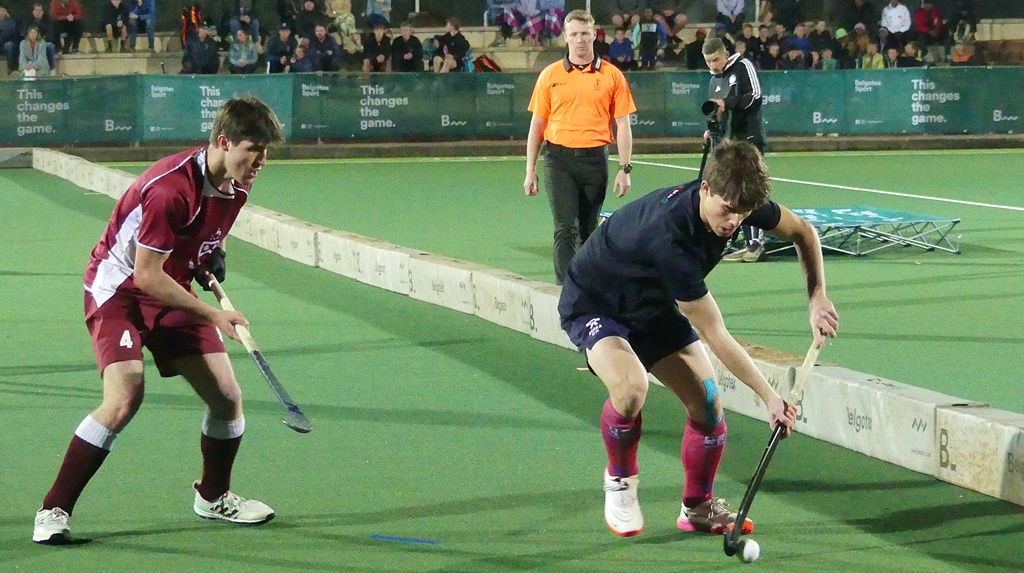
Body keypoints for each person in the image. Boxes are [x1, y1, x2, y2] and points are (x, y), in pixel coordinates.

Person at [32, 96, 286, 545]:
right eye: (254, 150)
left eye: (266, 152)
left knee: (227, 398)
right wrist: (214, 314)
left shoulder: (237, 183)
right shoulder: (173, 190)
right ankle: (54, 508)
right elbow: (147, 275)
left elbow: (201, 237)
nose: (261, 161)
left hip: (169, 285)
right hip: (120, 290)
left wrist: (211, 257)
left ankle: (213, 497)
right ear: (224, 142)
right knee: (125, 396)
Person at [556, 139, 839, 538]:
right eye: (726, 211)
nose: (733, 223)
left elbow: (803, 232)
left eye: (742, 214)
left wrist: (816, 297)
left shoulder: (739, 197)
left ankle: (698, 507)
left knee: (707, 405)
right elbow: (715, 334)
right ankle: (619, 480)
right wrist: (769, 397)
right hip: (597, 302)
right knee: (631, 389)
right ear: (705, 190)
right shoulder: (668, 236)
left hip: (652, 303)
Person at [524, 9, 636, 286]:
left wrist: (625, 168)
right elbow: (537, 125)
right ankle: (566, 290)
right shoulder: (550, 75)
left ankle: (590, 287)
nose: (580, 40)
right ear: (565, 37)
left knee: (589, 230)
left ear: (594, 35)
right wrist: (530, 170)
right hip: (558, 159)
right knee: (564, 228)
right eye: (573, 34)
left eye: (585, 34)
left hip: (595, 160)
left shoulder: (612, 76)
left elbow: (623, 124)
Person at [703, 37, 768, 263]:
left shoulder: (743, 66)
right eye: (708, 61)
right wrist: (711, 130)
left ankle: (757, 243)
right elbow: (717, 112)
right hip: (727, 143)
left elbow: (755, 98)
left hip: (748, 139)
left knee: (751, 190)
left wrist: (727, 103)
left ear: (725, 54)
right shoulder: (715, 79)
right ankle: (744, 242)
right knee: (730, 192)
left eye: (716, 59)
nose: (712, 65)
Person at [1, 6, 18, 72]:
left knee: (9, 45)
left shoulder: (11, 22)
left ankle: (10, 68)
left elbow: (11, 34)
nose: (1, 13)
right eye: (0, 11)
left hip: (5, 44)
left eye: (3, 11)